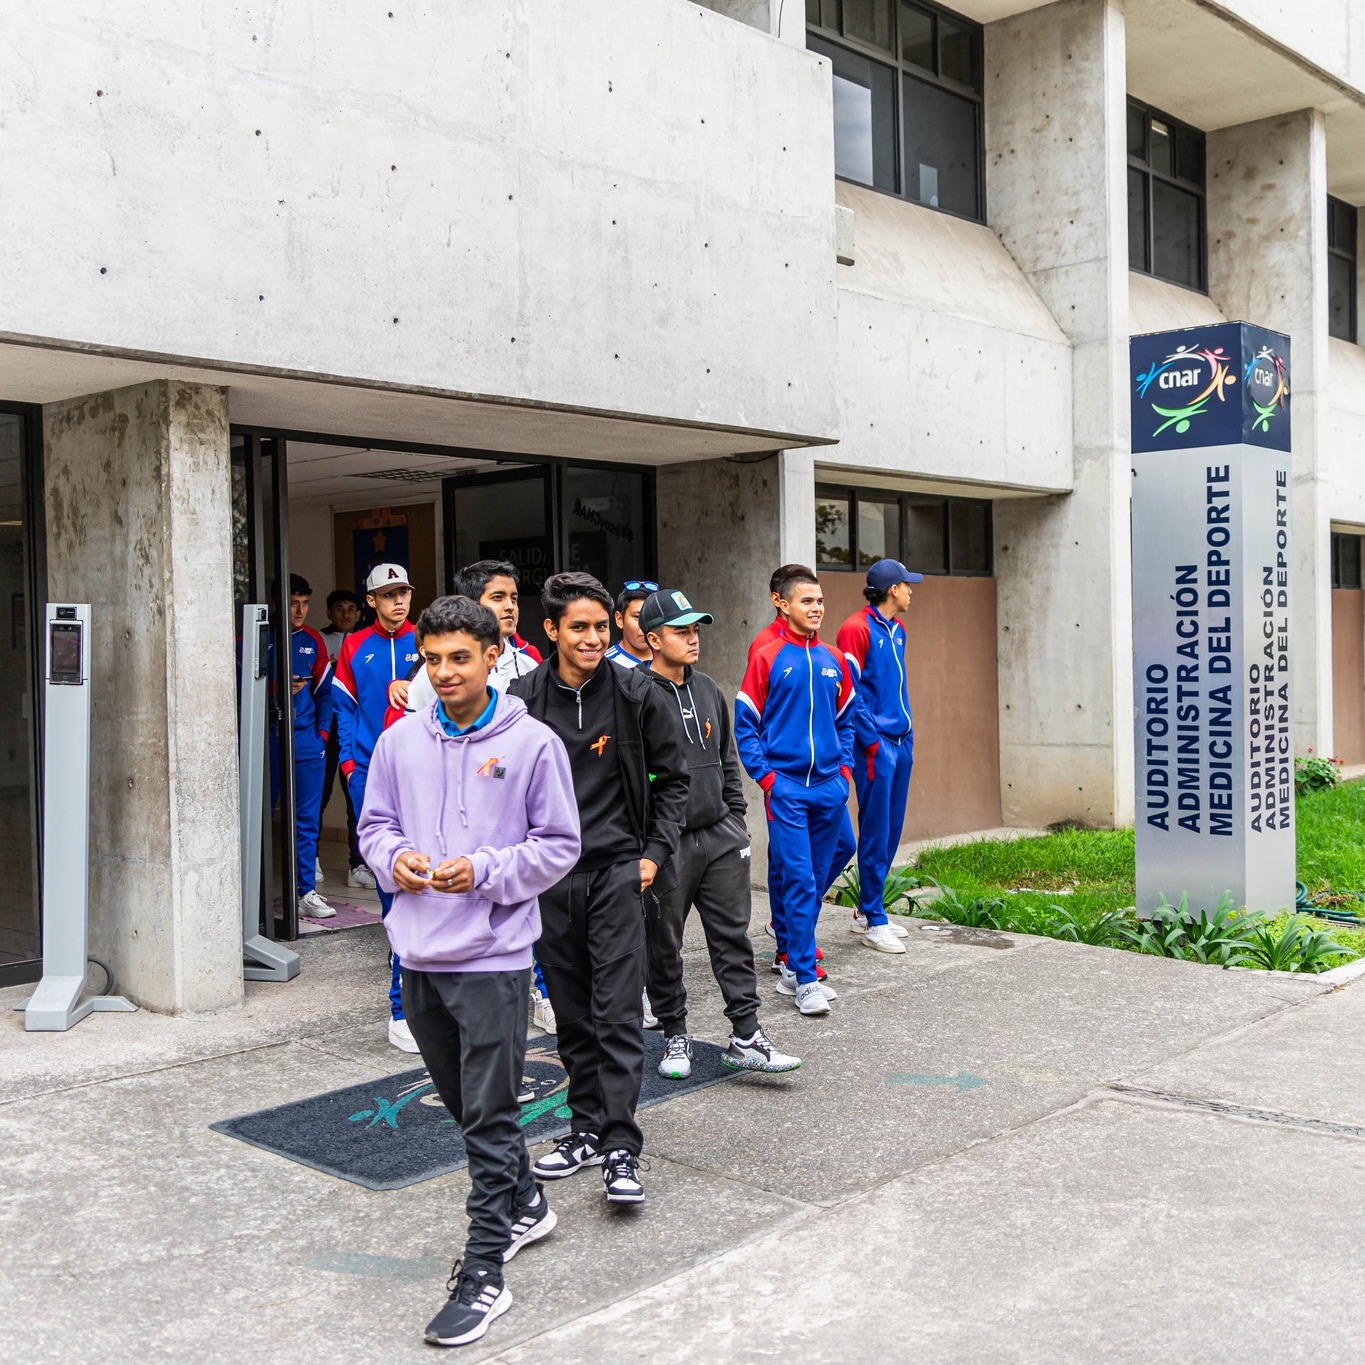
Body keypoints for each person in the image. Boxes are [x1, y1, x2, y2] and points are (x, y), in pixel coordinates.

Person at [357, 595, 580, 1348]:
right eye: (433, 658)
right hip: (417, 953)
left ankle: (485, 1270)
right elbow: (373, 827)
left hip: (493, 959)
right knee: (463, 1108)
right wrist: (398, 859)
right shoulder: (399, 742)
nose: (445, 671)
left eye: (460, 656)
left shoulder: (533, 743)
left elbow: (558, 844)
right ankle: (525, 1201)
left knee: (488, 1118)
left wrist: (482, 870)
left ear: (493, 656)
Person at [508, 571, 689, 1204]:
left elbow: (674, 779)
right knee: (573, 1016)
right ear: (551, 630)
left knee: (616, 1013)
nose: (592, 638)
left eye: (601, 627)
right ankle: (585, 1129)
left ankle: (620, 1147)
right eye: (578, 627)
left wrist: (654, 854)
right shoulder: (523, 698)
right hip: (550, 879)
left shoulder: (637, 691)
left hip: (618, 873)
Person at [638, 588, 801, 1079]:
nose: (692, 639)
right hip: (666, 844)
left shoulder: (707, 687)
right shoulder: (634, 694)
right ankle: (675, 1035)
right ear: (652, 639)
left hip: (720, 837)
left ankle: (746, 1036)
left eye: (695, 630)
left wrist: (735, 818)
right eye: (680, 631)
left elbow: (728, 758)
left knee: (733, 938)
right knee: (663, 943)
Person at [388, 560, 555, 1033]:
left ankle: (537, 992)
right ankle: (401, 1008)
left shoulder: (528, 661)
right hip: (441, 849)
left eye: (511, 597)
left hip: (501, 836)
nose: (509, 606)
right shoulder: (431, 676)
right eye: (496, 598)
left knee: (520, 908)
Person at [735, 571, 855, 1017]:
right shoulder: (767, 656)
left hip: (828, 790)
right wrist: (768, 780)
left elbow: (846, 720)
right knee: (801, 881)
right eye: (806, 600)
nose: (817, 608)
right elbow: (745, 723)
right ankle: (804, 978)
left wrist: (843, 773)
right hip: (786, 791)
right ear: (782, 605)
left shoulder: (834, 659)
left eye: (820, 600)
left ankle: (794, 958)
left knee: (815, 882)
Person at [332, 562, 422, 1051]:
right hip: (369, 772)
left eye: (404, 593)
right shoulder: (354, 645)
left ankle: (413, 977)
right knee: (389, 874)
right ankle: (401, 991)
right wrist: (348, 766)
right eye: (388, 595)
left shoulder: (425, 639)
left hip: (418, 776)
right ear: (372, 601)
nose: (398, 602)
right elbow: (343, 708)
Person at [837, 559, 922, 954]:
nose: (911, 591)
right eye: (907, 585)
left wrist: (906, 735)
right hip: (875, 745)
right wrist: (873, 742)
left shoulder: (898, 629)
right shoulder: (856, 628)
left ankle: (866, 909)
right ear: (892, 589)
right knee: (874, 830)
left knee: (890, 830)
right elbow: (848, 692)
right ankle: (874, 918)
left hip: (900, 740)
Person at [288, 575, 336, 920]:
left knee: (307, 821)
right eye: (293, 603)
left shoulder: (313, 641)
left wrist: (321, 735)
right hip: (266, 740)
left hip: (306, 741)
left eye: (305, 603)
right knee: (256, 819)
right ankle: (249, 893)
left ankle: (306, 891)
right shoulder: (250, 637)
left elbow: (325, 692)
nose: (300, 610)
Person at [319, 589, 367, 888]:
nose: (346, 614)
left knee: (356, 799)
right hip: (327, 731)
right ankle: (309, 862)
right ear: (329, 613)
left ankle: (358, 865)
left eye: (352, 609)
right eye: (339, 609)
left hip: (354, 729)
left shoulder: (363, 643)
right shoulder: (319, 641)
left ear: (360, 613)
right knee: (318, 798)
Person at [604, 579, 657, 668]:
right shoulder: (606, 665)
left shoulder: (672, 659)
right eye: (637, 617)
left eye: (652, 617)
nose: (646, 625)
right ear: (619, 619)